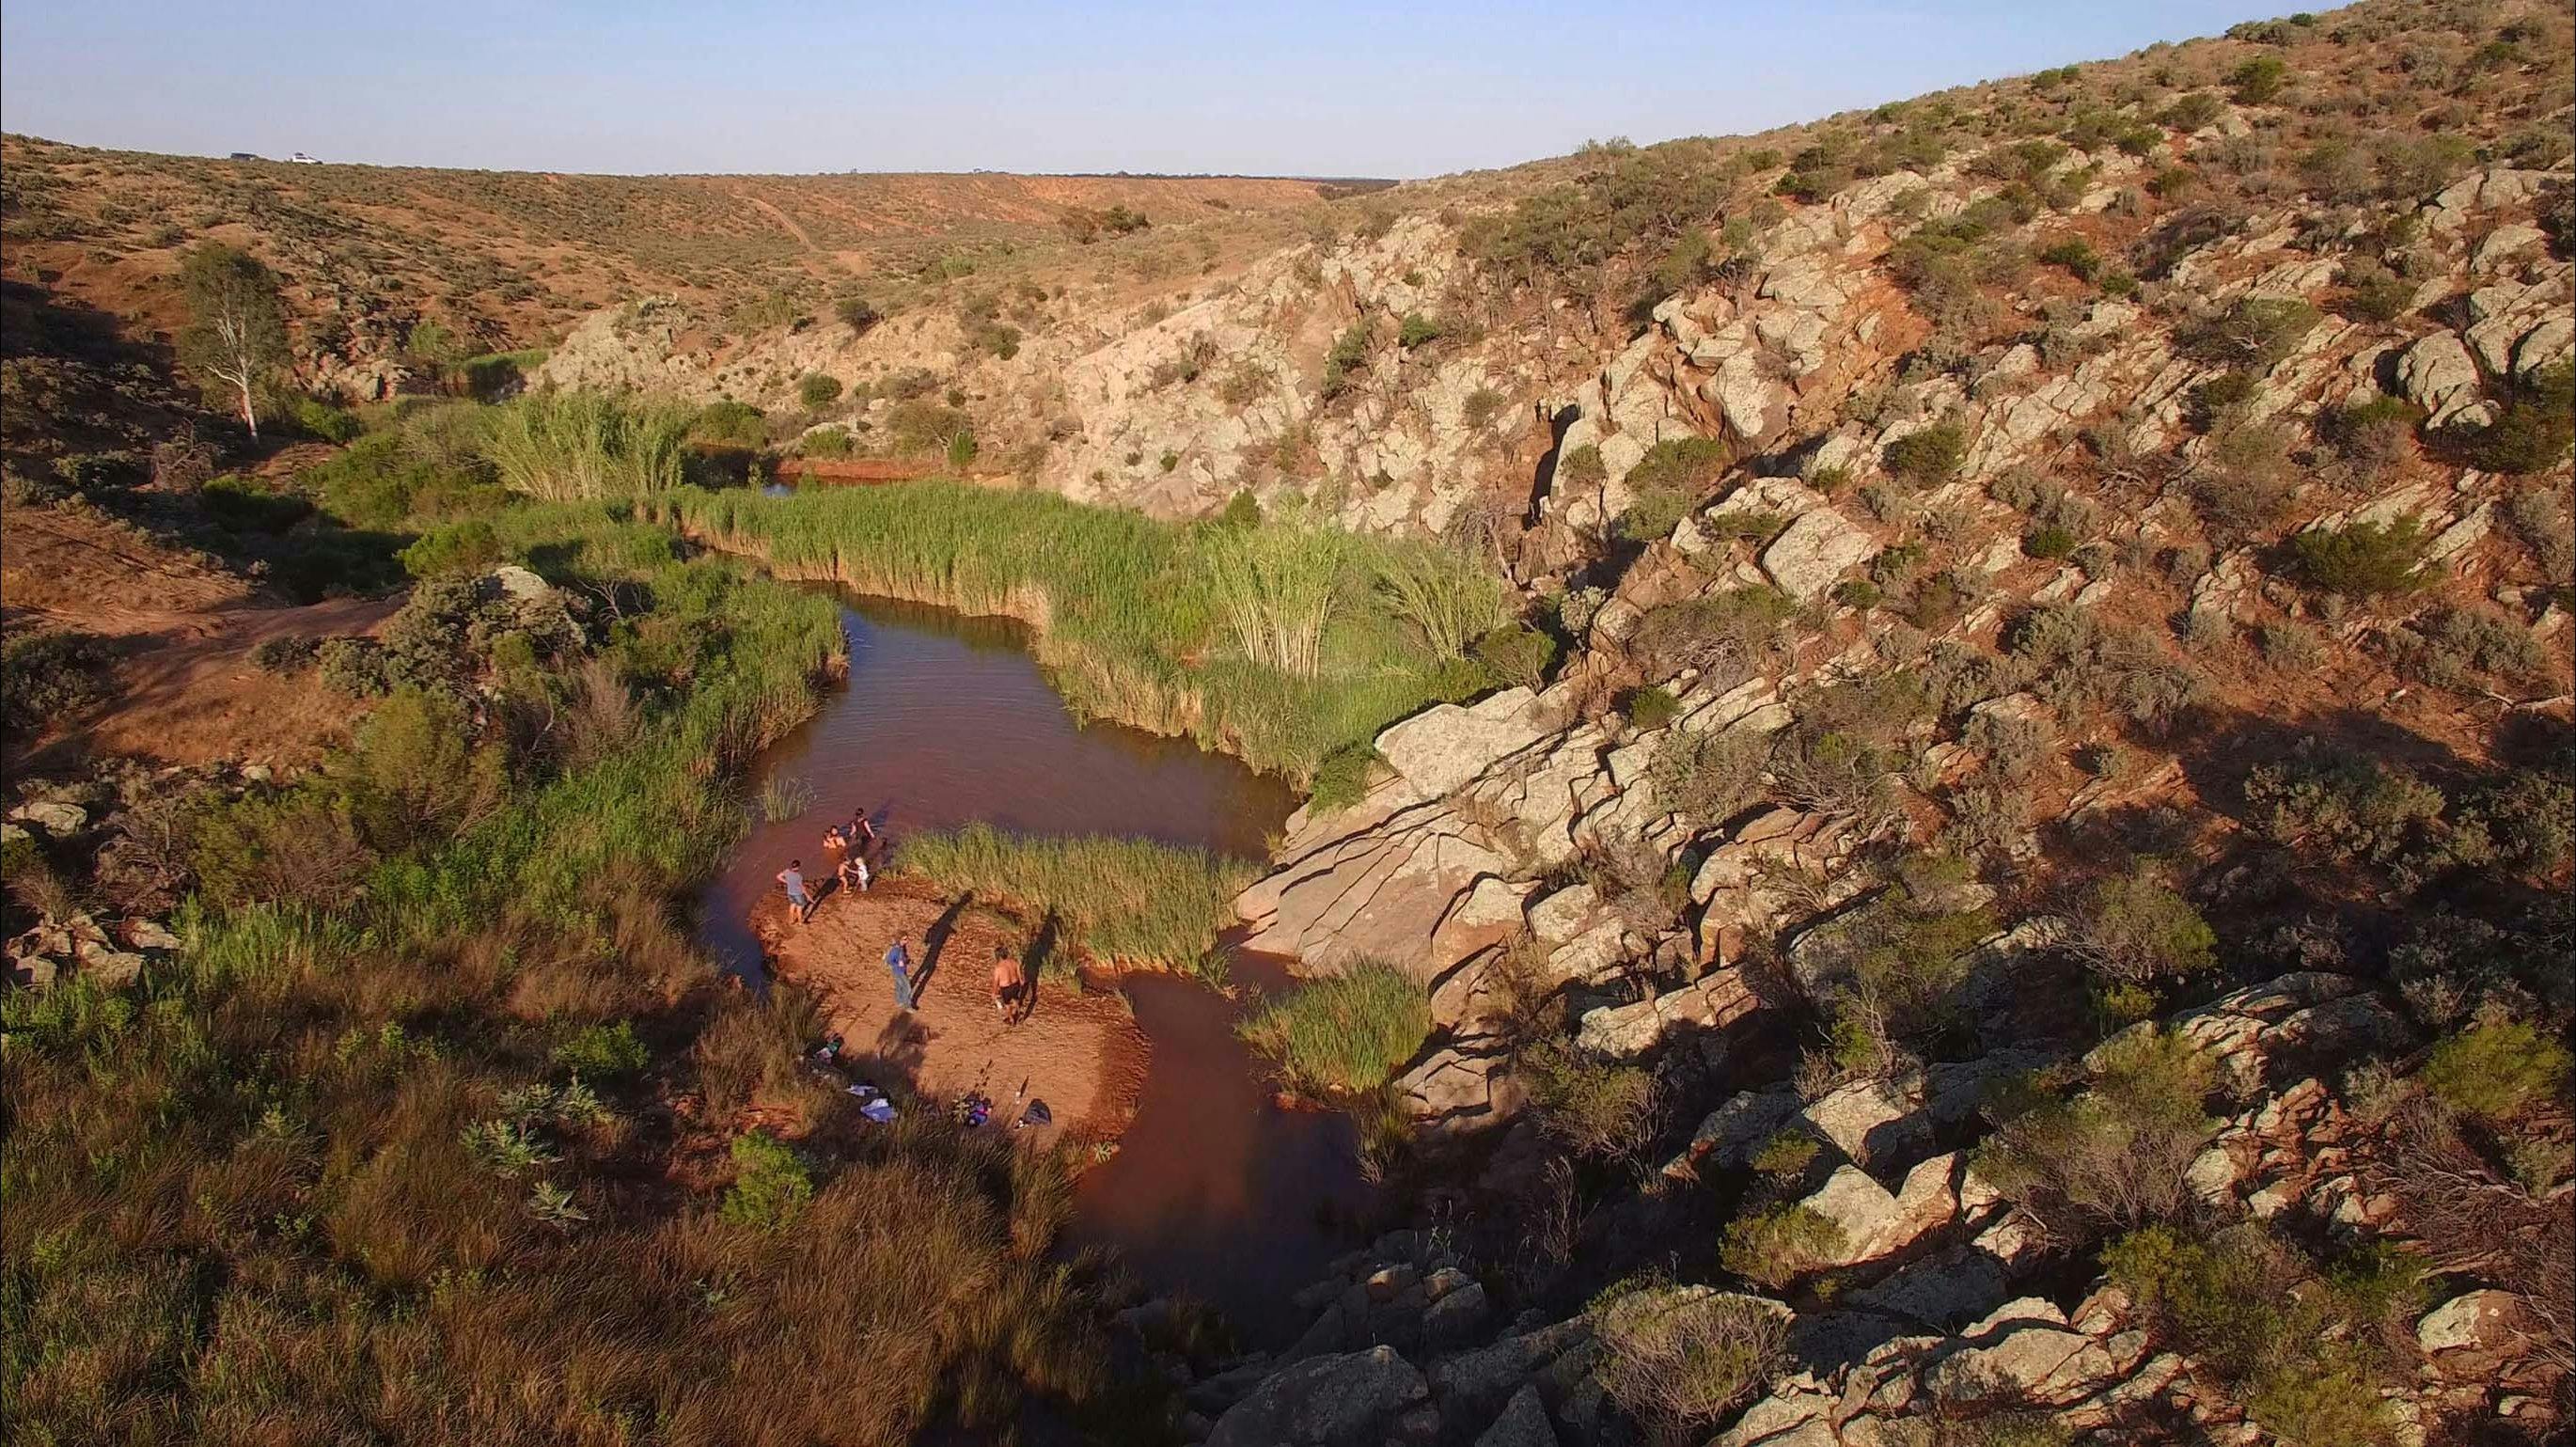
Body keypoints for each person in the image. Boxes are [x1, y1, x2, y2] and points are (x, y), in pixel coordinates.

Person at [991, 948, 1025, 1021]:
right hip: (1015, 984)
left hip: (1006, 987)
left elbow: (996, 981)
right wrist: (1021, 981)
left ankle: (1011, 1019)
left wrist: (994, 992)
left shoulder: (998, 968)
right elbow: (1019, 972)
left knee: (1007, 1004)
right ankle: (1018, 1013)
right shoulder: (1014, 962)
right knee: (1016, 999)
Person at [777, 859, 813, 924]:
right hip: (798, 894)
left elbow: (778, 876)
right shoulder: (799, 876)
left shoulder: (787, 871)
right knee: (799, 907)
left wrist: (787, 882)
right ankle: (800, 922)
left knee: (792, 905)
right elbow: (802, 887)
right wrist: (807, 895)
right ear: (798, 867)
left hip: (790, 893)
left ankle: (791, 920)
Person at [885, 936, 915, 1011]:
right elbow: (889, 961)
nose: (907, 941)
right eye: (905, 939)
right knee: (907, 987)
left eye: (907, 939)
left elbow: (901, 958)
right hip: (898, 971)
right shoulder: (895, 950)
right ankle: (907, 1005)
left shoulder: (901, 948)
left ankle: (899, 1001)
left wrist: (906, 960)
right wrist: (898, 963)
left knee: (899, 986)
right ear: (899, 940)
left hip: (902, 970)